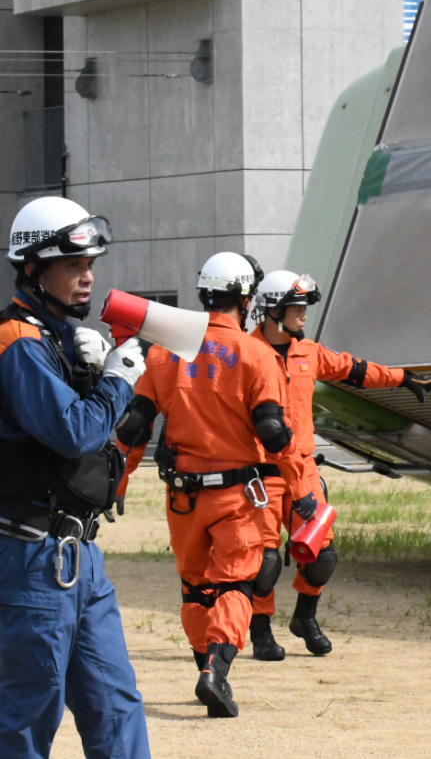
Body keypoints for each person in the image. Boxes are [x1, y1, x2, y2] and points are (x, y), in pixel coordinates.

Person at [115, 252, 312, 718]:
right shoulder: (257, 354)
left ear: (203, 295)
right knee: (239, 582)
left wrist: (118, 480)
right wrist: (301, 489)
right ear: (246, 300)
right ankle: (215, 674)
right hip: (239, 496)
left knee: (194, 589)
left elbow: (135, 426)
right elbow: (273, 432)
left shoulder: (163, 353)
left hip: (182, 497)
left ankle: (204, 661)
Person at [0, 197, 151, 758]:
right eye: (72, 266)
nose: (87, 278)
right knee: (26, 713)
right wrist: (117, 380)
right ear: (34, 268)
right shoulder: (18, 342)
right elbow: (71, 433)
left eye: (90, 265)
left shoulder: (55, 339)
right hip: (33, 556)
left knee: (116, 704)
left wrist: (92, 369)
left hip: (80, 557)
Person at [245, 269, 431, 660]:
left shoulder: (308, 352)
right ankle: (260, 630)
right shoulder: (244, 353)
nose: (303, 314)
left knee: (323, 555)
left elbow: (355, 370)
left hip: (303, 470)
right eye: (297, 307)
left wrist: (403, 378)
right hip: (260, 473)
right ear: (273, 309)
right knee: (265, 562)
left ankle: (304, 617)